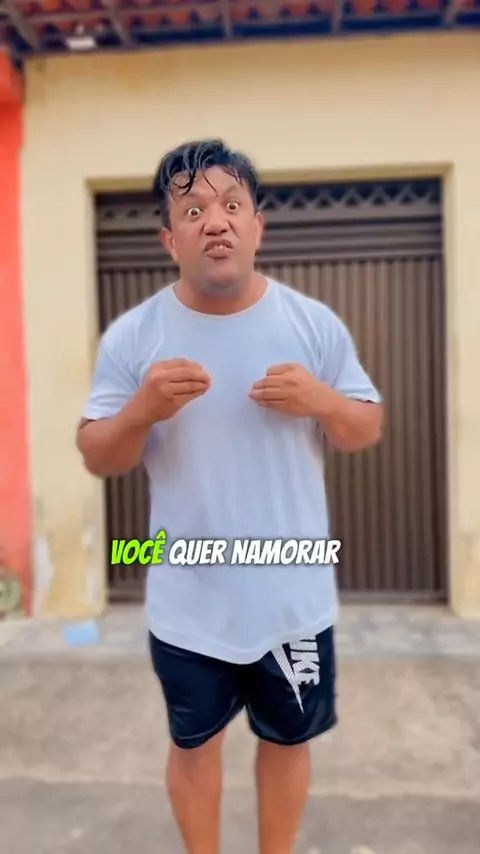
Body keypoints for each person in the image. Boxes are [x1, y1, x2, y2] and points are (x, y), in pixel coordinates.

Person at [77, 139, 383, 854]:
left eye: (231, 205)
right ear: (169, 239)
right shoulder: (135, 337)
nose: (215, 221)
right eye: (193, 210)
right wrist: (140, 412)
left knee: (288, 743)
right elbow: (99, 455)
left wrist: (321, 400)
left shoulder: (311, 324)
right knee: (194, 749)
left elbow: (364, 428)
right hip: (188, 606)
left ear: (256, 226)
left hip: (292, 603)